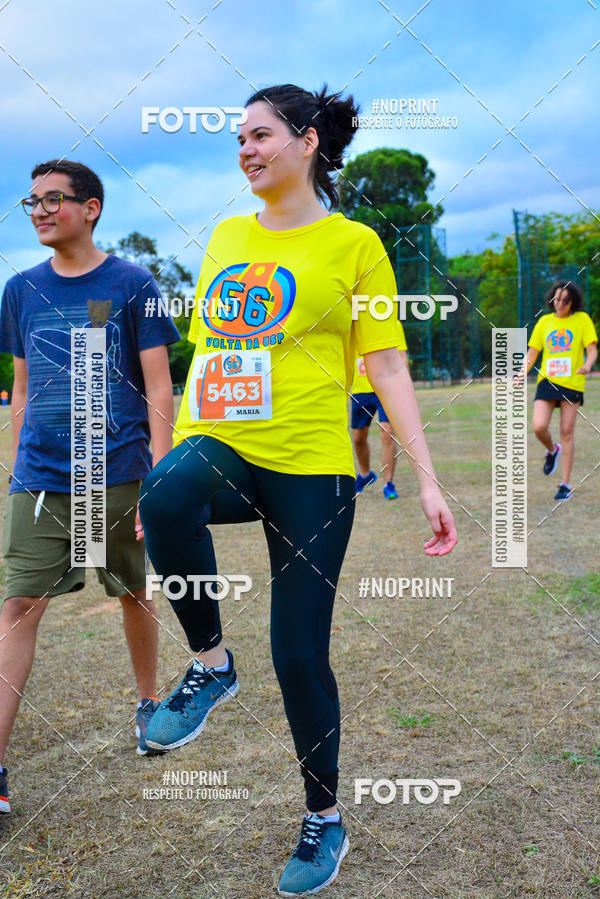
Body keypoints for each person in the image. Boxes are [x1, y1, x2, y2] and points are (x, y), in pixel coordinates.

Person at [138, 84, 457, 896]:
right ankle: (211, 665)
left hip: (313, 468)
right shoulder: (226, 235)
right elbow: (209, 351)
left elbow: (386, 362)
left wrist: (424, 478)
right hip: (231, 445)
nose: (244, 149)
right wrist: (170, 472)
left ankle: (323, 817)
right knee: (166, 495)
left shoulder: (356, 245)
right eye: (238, 138)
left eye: (259, 135)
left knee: (300, 654)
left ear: (307, 141)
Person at [0, 159, 180, 814]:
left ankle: (147, 704)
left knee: (133, 590)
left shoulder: (133, 283)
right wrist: (19, 465)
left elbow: (160, 386)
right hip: (42, 479)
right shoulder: (19, 289)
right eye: (33, 201)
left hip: (121, 470)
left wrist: (161, 479)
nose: (41, 210)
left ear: (91, 207)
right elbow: (21, 386)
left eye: (54, 199)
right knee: (18, 605)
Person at [522, 281, 597, 501]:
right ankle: (552, 450)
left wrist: (588, 364)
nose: (560, 303)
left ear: (573, 301)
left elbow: (592, 349)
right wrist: (521, 372)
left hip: (572, 383)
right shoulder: (545, 322)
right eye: (557, 299)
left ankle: (565, 485)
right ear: (551, 299)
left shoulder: (582, 320)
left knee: (567, 432)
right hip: (547, 381)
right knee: (538, 426)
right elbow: (532, 353)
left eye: (565, 300)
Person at [350, 341, 407, 499]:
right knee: (358, 438)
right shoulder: (351, 322)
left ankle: (388, 484)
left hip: (384, 387)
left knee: (387, 434)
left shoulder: (391, 322)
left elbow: (402, 358)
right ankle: (365, 475)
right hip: (360, 390)